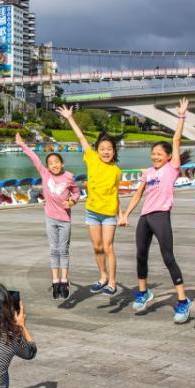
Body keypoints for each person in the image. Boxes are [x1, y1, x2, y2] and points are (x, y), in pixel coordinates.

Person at [119, 98, 194, 323]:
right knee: (140, 255)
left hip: (161, 215)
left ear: (169, 156)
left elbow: (176, 138)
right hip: (145, 217)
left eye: (159, 153)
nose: (155, 156)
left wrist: (181, 116)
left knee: (167, 256)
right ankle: (143, 293)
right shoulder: (148, 172)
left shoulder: (172, 169)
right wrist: (125, 214)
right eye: (153, 153)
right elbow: (137, 193)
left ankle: (182, 301)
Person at [56, 105, 123, 295]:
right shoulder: (92, 159)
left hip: (109, 213)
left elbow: (115, 193)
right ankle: (102, 276)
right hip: (92, 211)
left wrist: (122, 214)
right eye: (102, 149)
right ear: (97, 150)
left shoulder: (116, 171)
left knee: (108, 247)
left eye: (109, 149)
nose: (106, 152)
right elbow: (81, 138)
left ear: (114, 151)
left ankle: (112, 282)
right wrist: (70, 118)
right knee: (97, 247)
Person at [15, 132, 81, 300]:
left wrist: (72, 202)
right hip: (50, 217)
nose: (53, 165)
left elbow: (77, 192)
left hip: (65, 219)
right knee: (53, 250)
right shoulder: (45, 174)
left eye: (56, 162)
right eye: (50, 163)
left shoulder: (69, 177)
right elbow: (34, 158)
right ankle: (55, 282)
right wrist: (22, 145)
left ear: (62, 163)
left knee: (63, 250)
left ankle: (64, 281)